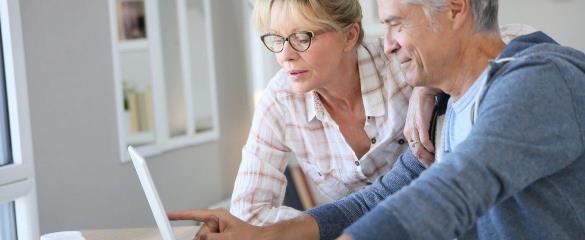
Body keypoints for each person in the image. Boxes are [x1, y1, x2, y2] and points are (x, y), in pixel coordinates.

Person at [168, 0, 585, 239]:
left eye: (396, 24)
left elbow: (457, 187)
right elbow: (376, 198)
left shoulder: (538, 80)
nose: (385, 46)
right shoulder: (448, 105)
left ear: (455, 8)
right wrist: (263, 236)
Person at [230, 0, 419, 226]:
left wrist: (426, 90)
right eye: (277, 39)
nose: (284, 56)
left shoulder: (401, 66)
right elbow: (247, 212)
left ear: (349, 36)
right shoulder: (279, 101)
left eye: (302, 37)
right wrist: (325, 225)